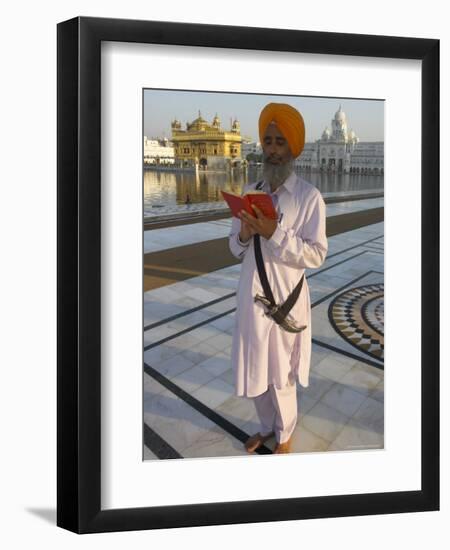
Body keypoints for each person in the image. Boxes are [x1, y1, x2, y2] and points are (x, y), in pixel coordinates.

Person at [228, 102, 328, 454]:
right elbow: (235, 249)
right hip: (252, 300)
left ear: (293, 148)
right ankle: (266, 427)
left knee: (282, 375)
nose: (272, 149)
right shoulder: (250, 191)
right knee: (257, 371)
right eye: (268, 141)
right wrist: (243, 233)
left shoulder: (309, 198)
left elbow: (316, 253)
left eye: (279, 142)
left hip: (285, 302)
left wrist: (274, 233)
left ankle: (284, 435)